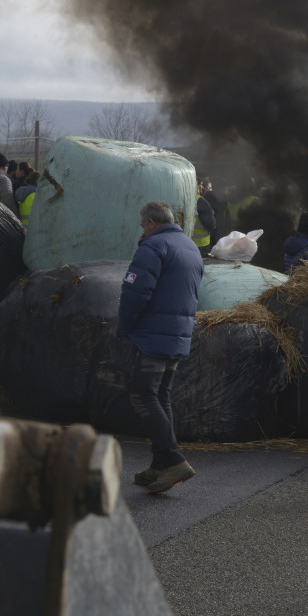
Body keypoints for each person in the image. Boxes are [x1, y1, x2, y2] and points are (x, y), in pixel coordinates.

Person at [118, 201, 204, 494]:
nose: (142, 230)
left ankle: (173, 459)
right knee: (161, 394)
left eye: (143, 225)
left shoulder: (153, 246)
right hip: (178, 333)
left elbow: (136, 291)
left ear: (151, 223)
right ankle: (159, 465)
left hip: (153, 336)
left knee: (142, 394)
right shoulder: (190, 247)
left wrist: (125, 326)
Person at [191, 177, 217, 256]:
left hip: (187, 243)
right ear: (195, 186)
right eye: (201, 184)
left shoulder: (182, 200)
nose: (202, 187)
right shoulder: (200, 201)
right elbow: (210, 224)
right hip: (201, 245)